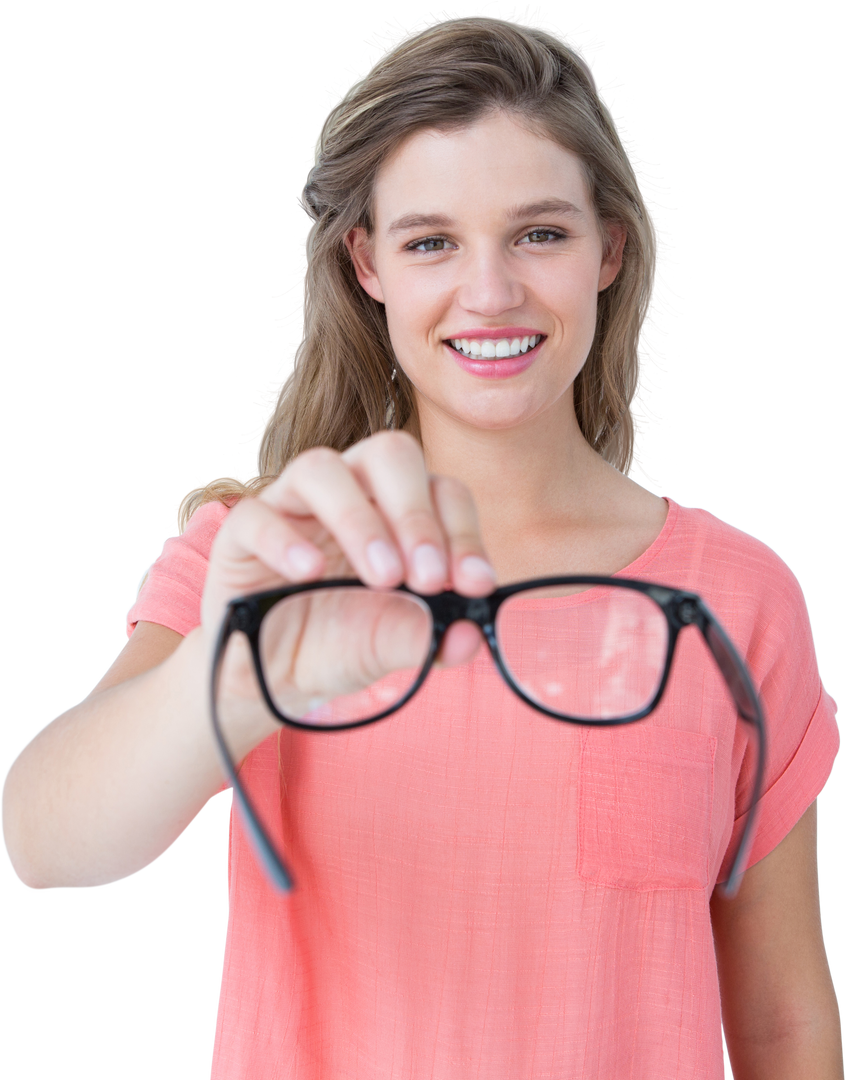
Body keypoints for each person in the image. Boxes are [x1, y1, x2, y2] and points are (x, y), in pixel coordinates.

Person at [2, 10, 841, 1079]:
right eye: (430, 240)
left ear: (607, 250)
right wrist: (233, 677)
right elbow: (43, 843)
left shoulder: (736, 595)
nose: (487, 292)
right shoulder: (264, 556)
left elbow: (778, 1022)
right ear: (368, 264)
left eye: (538, 232)